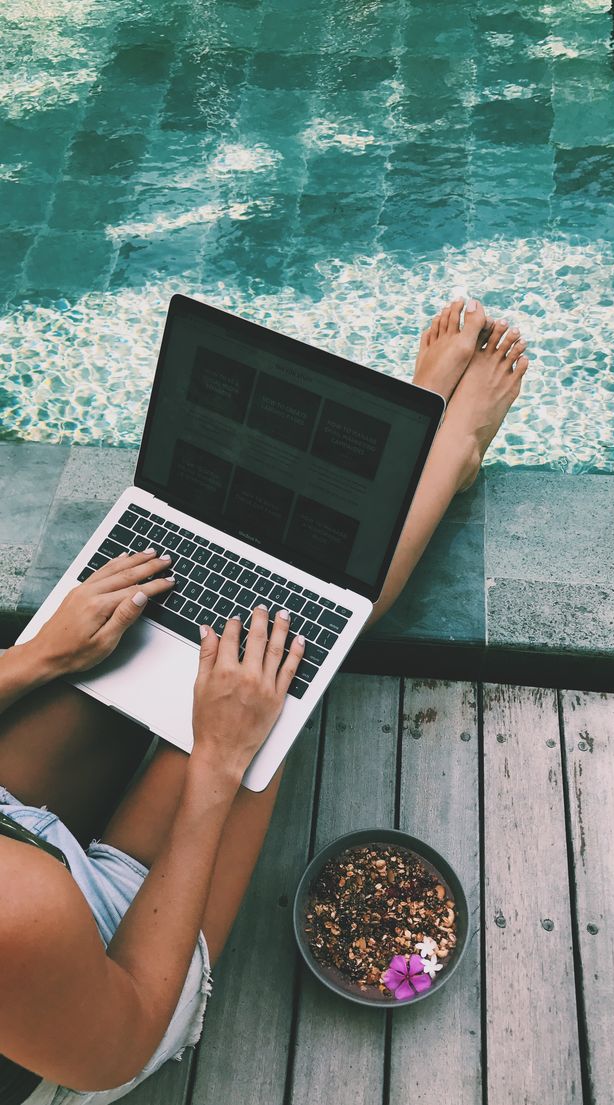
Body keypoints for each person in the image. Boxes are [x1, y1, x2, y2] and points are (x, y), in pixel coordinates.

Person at [0, 302, 528, 1105]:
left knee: (155, 597)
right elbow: (129, 1027)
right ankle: (446, 448)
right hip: (101, 993)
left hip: (20, 849)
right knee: (282, 661)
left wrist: (41, 655)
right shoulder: (17, 919)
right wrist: (218, 759)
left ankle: (391, 446)